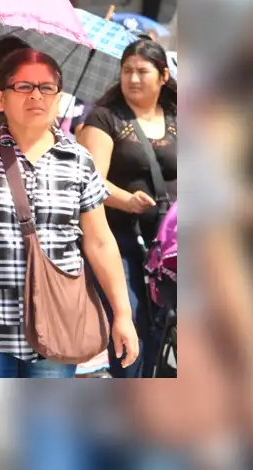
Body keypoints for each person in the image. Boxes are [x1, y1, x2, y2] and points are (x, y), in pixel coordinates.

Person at [0, 48, 139, 378]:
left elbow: (99, 242)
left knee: (45, 429)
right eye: (23, 86)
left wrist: (122, 314)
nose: (35, 95)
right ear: (0, 98)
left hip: (57, 321)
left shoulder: (78, 160)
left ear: (59, 98)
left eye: (46, 87)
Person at [77, 39, 177, 378]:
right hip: (121, 237)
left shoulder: (180, 114)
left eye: (142, 71)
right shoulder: (104, 118)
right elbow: (91, 179)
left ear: (163, 75)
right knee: (132, 315)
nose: (133, 78)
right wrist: (126, 200)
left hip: (172, 240)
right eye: (126, 71)